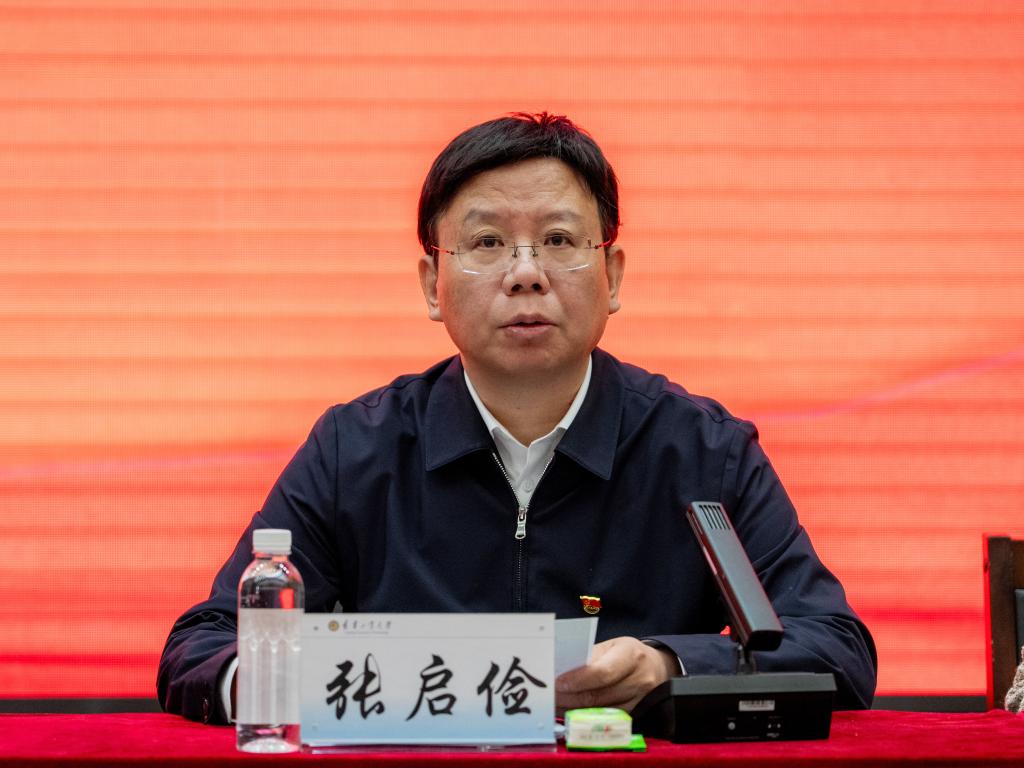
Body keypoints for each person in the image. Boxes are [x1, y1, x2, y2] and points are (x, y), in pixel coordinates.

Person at [158, 112, 877, 725]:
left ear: (613, 275)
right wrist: (331, 677)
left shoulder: (702, 451)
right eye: (487, 243)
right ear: (432, 285)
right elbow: (205, 646)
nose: (525, 272)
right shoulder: (357, 449)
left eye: (559, 241)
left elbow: (835, 646)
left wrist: (670, 665)